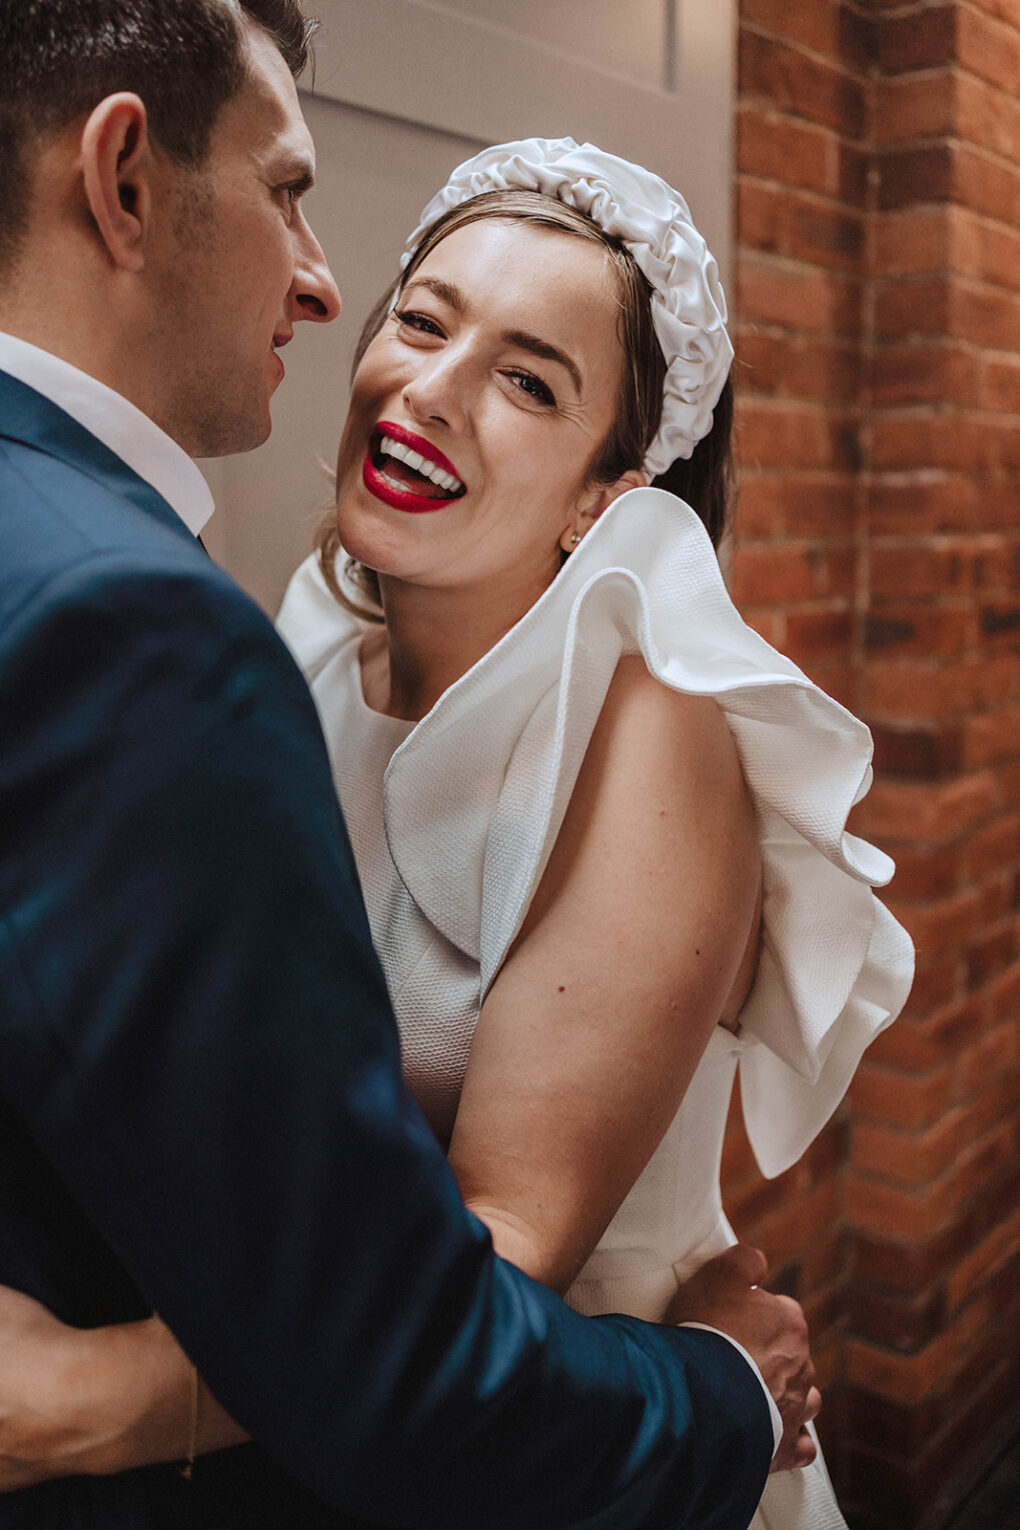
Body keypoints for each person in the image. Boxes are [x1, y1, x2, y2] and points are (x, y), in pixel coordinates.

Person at [0, 116, 914, 1530]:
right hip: (359, 1440)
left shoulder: (652, 737)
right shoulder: (307, 646)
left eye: (528, 382)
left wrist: (92, 1404)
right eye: (422, 322)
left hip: (577, 1439)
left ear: (606, 496)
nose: (429, 391)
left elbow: (498, 1255)